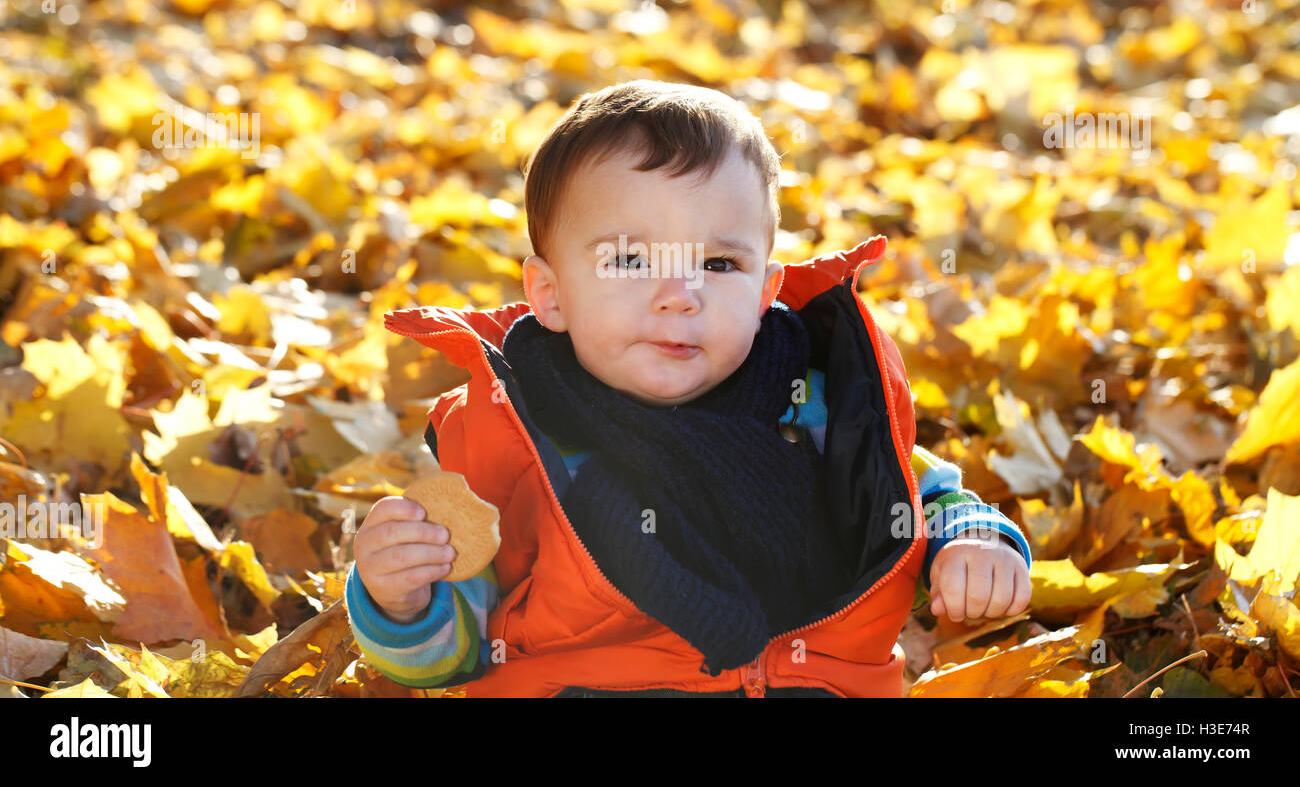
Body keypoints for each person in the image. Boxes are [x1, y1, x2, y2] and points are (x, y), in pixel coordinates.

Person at [344, 80, 1032, 696]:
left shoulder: (821, 408)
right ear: (549, 295)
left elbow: (925, 497)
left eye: (719, 262)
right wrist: (402, 602)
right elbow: (450, 659)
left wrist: (974, 546)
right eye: (631, 258)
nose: (680, 295)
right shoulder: (514, 449)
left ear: (765, 291)